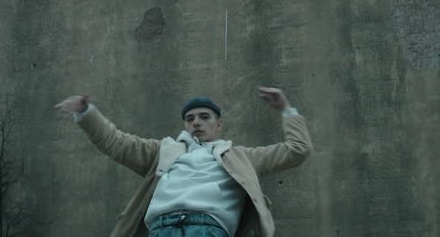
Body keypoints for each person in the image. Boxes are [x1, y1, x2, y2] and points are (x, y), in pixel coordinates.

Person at [54, 86, 313, 237]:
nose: (196, 122)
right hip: (162, 228)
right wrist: (86, 113)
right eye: (190, 118)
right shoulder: (163, 151)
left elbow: (298, 150)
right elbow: (116, 142)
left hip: (208, 229)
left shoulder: (240, 156)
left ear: (218, 125)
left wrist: (286, 109)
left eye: (204, 117)